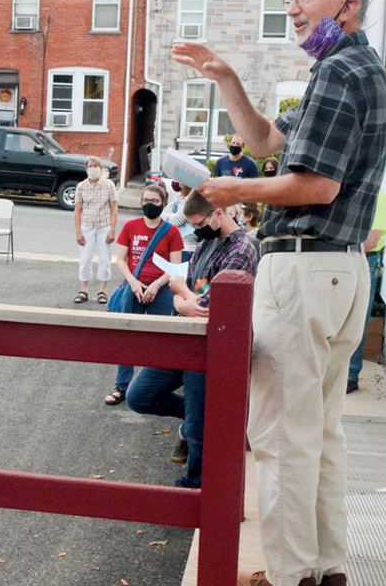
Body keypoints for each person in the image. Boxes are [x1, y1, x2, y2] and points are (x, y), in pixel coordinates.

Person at [173, 0, 386, 586]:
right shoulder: (356, 69)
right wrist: (226, 79)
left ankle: (291, 573)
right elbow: (268, 141)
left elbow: (316, 186)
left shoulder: (337, 74)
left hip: (303, 272)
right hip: (342, 275)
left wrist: (230, 191)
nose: (291, 8)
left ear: (344, 7)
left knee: (276, 437)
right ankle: (323, 569)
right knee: (319, 435)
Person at [128, 189, 259, 490]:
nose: (196, 230)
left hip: (212, 345)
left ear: (219, 213)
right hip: (186, 337)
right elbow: (189, 293)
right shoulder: (205, 243)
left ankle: (196, 486)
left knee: (200, 431)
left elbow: (210, 306)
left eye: (199, 223)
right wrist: (186, 299)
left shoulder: (242, 250)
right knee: (140, 396)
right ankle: (194, 414)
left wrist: (185, 298)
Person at [103, 184, 184, 406]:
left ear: (163, 204)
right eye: (146, 200)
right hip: (134, 289)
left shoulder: (171, 231)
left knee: (160, 339)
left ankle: (152, 386)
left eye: (155, 201)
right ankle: (122, 386)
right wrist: (133, 282)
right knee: (127, 338)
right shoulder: (130, 226)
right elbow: (121, 259)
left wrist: (157, 284)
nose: (149, 204)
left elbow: (175, 267)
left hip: (161, 290)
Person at [347, 188, 386, 394]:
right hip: (345, 258)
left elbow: (372, 239)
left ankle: (350, 376)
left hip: (365, 259)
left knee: (358, 317)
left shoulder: (377, 196)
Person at [73, 156, 118, 305]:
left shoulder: (109, 185)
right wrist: (78, 231)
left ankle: (102, 290)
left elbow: (114, 209)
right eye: (90, 166)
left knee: (104, 259)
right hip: (87, 226)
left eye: (95, 166)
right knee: (85, 258)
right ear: (86, 169)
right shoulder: (81, 186)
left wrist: (112, 229)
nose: (92, 169)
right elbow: (78, 210)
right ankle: (83, 290)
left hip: (103, 225)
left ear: (100, 168)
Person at [162, 180, 199, 263]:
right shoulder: (177, 197)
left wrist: (168, 215)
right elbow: (161, 216)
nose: (176, 181)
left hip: (186, 247)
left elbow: (176, 220)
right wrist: (169, 215)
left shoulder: (190, 199)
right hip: (172, 245)